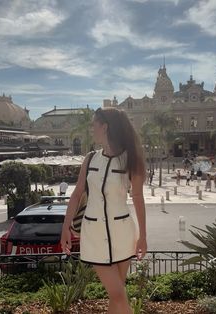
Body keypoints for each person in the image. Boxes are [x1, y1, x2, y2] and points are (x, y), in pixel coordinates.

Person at [61, 107, 147, 314]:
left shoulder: (130, 159)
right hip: (94, 235)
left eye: (94, 125)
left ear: (105, 127)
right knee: (118, 294)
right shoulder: (90, 159)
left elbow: (138, 198)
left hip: (123, 233)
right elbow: (77, 193)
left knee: (116, 295)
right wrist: (65, 227)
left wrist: (142, 236)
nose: (92, 129)